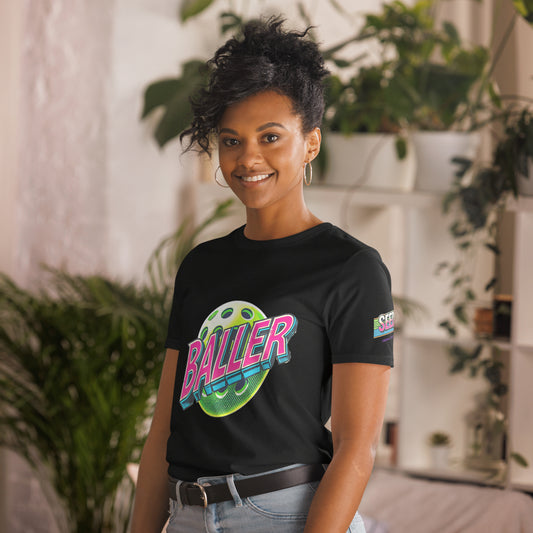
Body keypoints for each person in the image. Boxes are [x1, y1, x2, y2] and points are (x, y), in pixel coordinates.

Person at [130, 17, 393, 533]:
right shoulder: (201, 266)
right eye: (231, 141)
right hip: (187, 515)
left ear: (311, 143)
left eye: (270, 137)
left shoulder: (351, 268)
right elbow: (164, 429)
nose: (248, 158)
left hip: (285, 514)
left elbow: (356, 447)